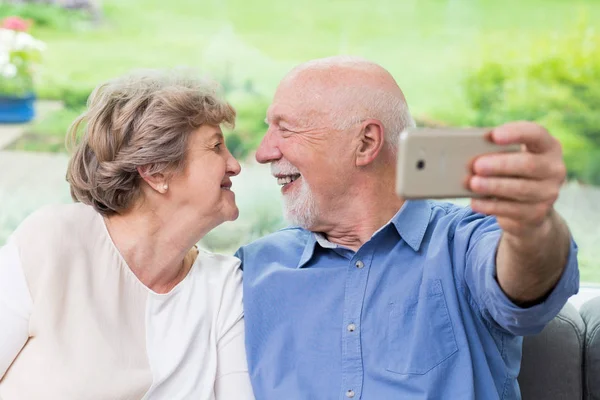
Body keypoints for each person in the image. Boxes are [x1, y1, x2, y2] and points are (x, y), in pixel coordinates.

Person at [236, 56, 579, 399]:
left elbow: (525, 285)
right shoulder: (252, 270)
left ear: (367, 142)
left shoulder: (461, 242)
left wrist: (532, 225)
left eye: (285, 128)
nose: (264, 152)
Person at [0, 70, 254, 400]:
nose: (234, 164)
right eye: (216, 147)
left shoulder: (223, 288)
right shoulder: (53, 242)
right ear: (156, 171)